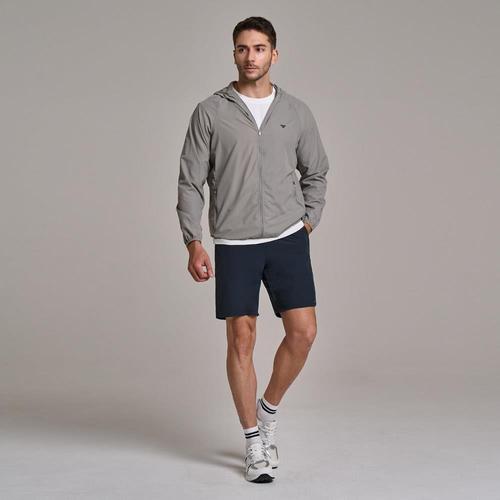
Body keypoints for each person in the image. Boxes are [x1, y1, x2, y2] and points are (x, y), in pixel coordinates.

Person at [176, 16, 330, 483]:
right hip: (235, 242)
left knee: (303, 333)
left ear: (274, 55)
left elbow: (316, 171)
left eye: (259, 48)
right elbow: (190, 181)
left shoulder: (295, 111)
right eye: (243, 48)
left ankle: (268, 412)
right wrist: (193, 240)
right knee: (241, 340)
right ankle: (252, 443)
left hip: (286, 238)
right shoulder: (210, 112)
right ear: (234, 54)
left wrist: (307, 221)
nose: (250, 57)